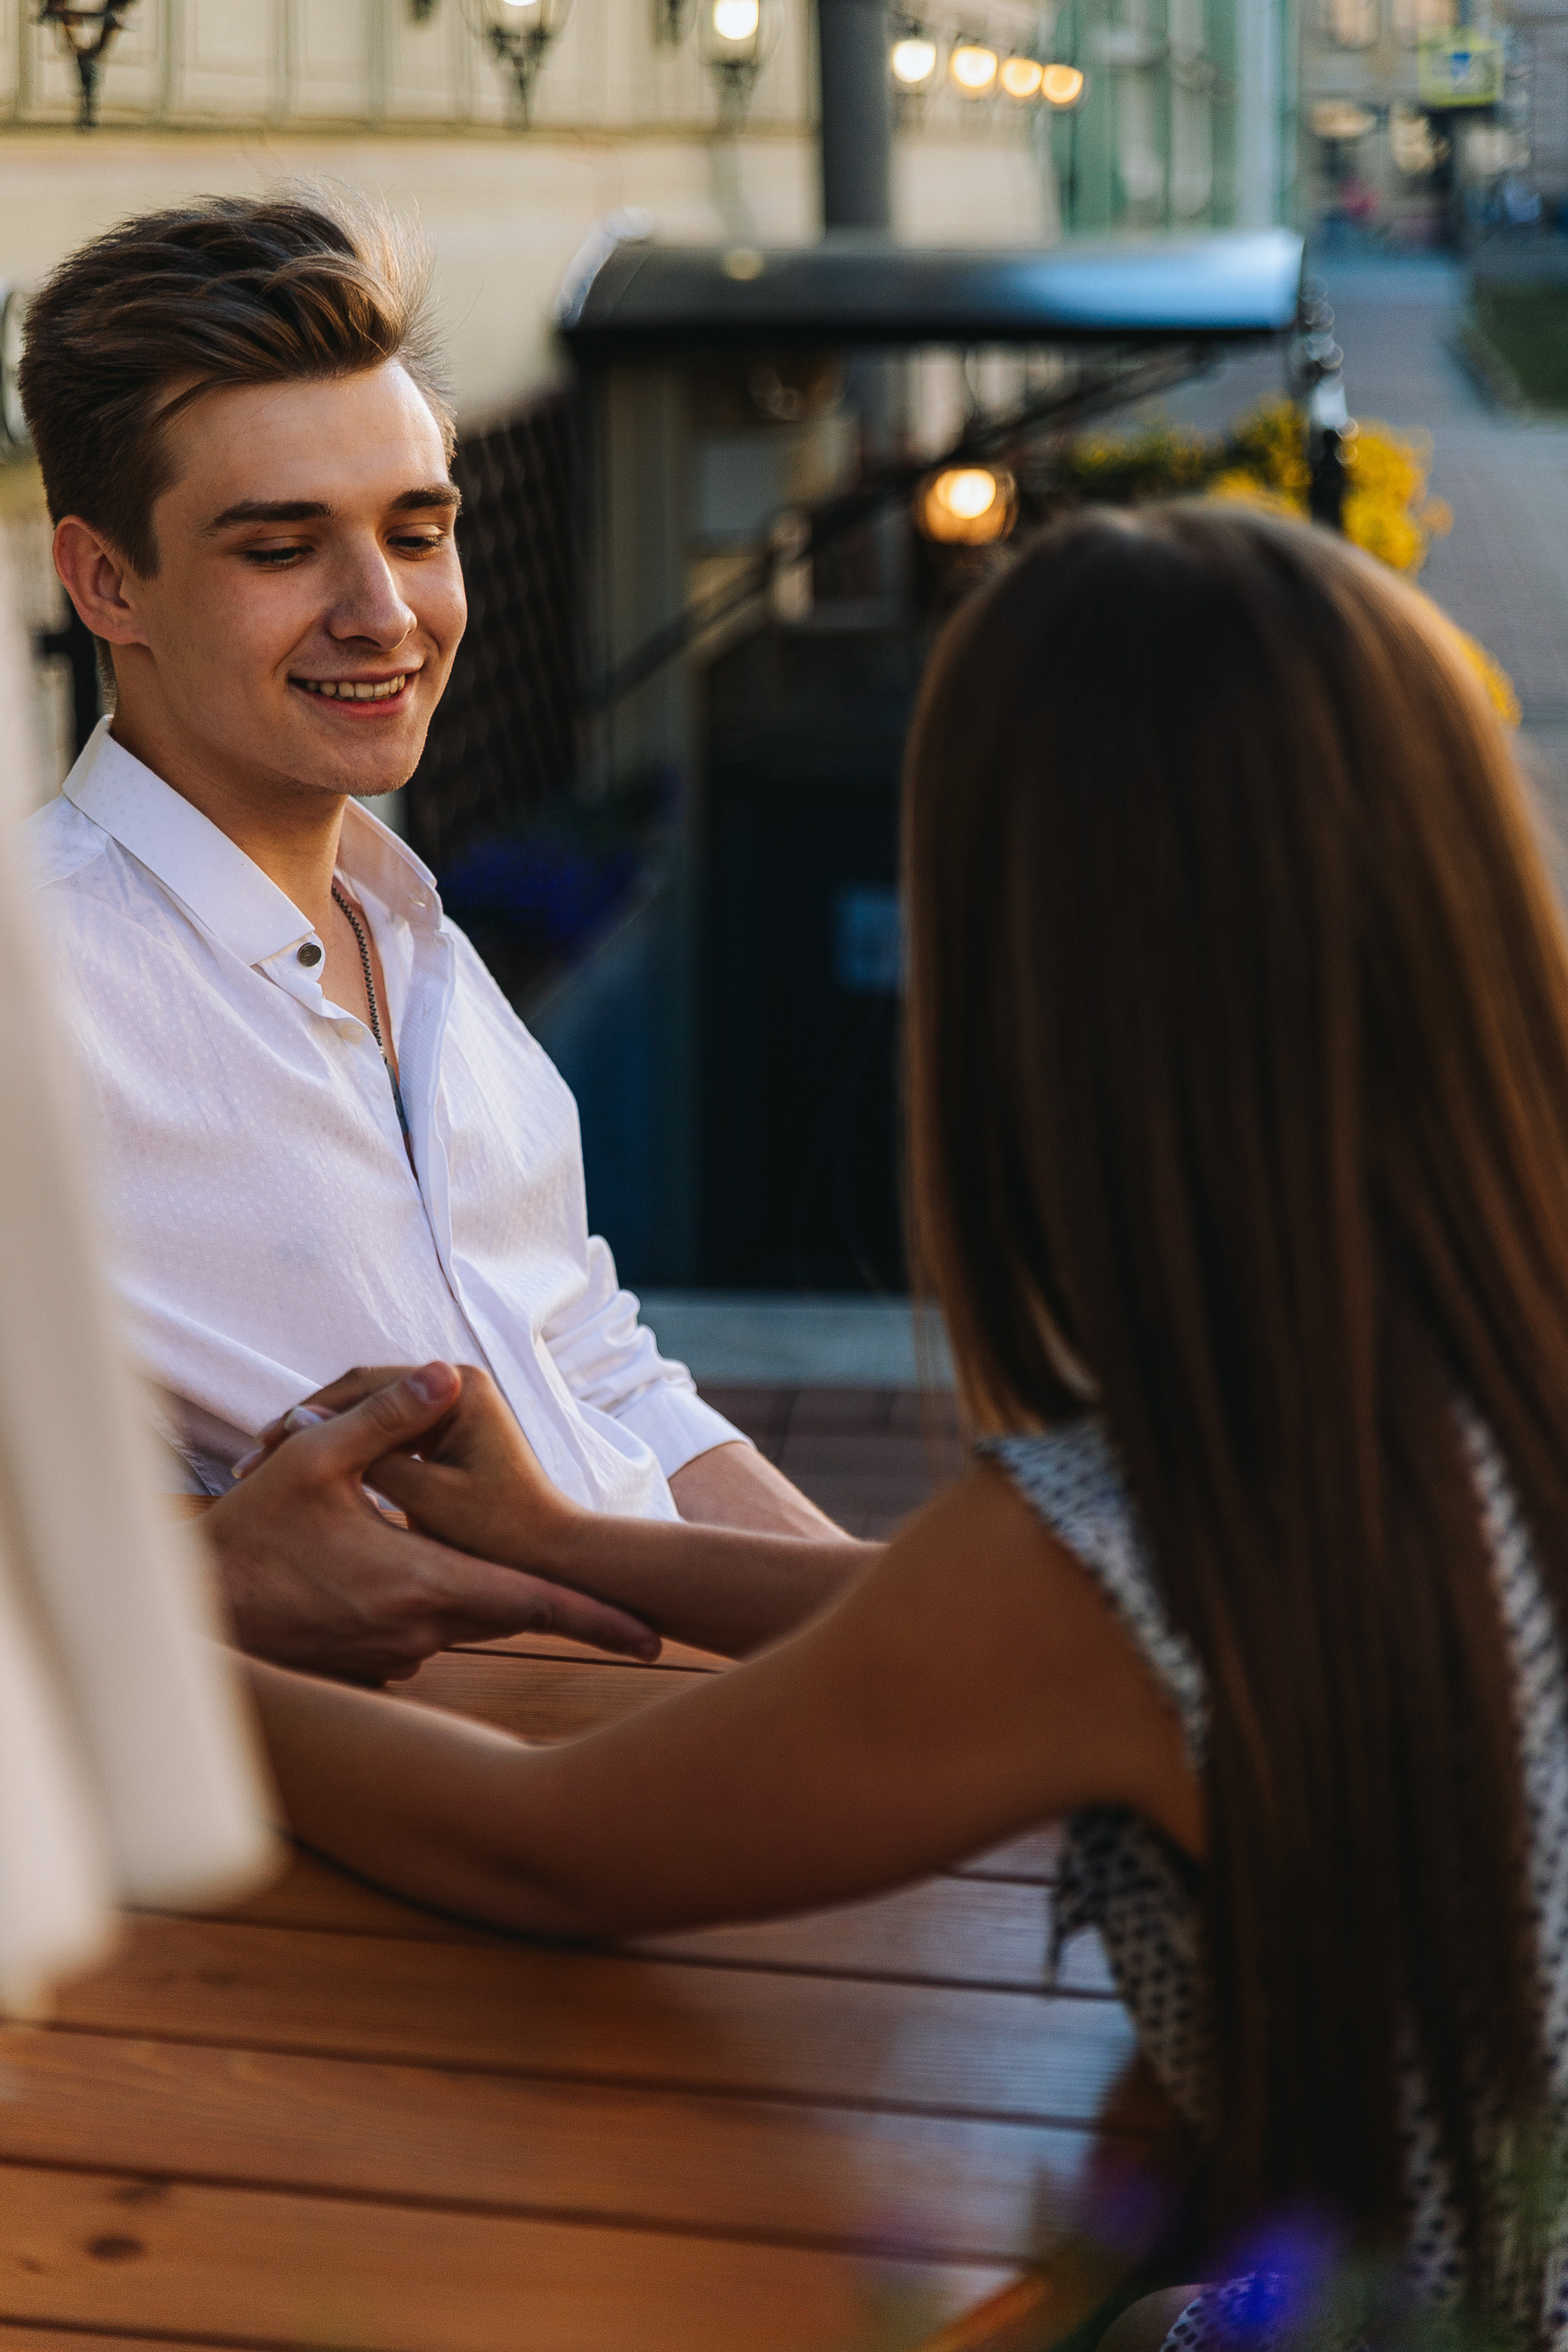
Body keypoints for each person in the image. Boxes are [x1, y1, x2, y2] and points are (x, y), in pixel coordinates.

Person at [236, 507, 1568, 2345]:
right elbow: (943, 1622)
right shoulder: (1455, 1374)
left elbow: (537, 1843)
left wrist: (119, 1648)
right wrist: (558, 1541)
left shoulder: (1122, 1561)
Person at [20, 189, 847, 1684]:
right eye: (283, 549)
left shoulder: (411, 932)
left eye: (418, 532)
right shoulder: (37, 985)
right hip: (425, 1800)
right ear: (105, 582)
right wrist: (198, 1577)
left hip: (667, 1742)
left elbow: (598, 1368)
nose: (383, 612)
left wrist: (878, 1636)